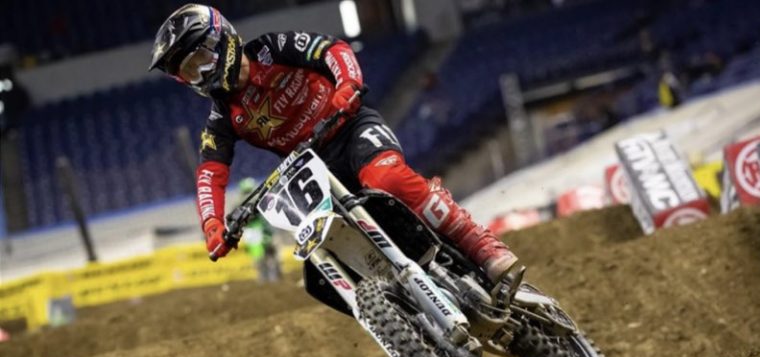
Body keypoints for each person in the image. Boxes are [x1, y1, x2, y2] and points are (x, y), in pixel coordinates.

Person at [148, 4, 523, 284]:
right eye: (188, 71)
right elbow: (209, 172)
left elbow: (333, 50)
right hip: (315, 170)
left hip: (350, 127)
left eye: (200, 59)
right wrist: (212, 223)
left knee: (386, 179)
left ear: (221, 39)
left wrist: (347, 86)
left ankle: (479, 243)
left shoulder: (272, 49)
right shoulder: (222, 118)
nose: (200, 73)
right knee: (326, 250)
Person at [238, 178, 282, 283]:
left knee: (266, 253)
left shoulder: (242, 203)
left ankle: (269, 277)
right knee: (264, 254)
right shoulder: (254, 200)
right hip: (255, 230)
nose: (248, 195)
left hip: (258, 229)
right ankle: (269, 277)